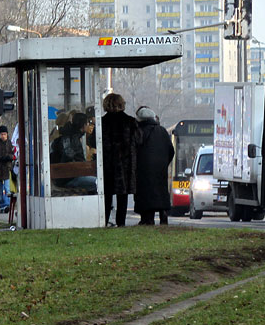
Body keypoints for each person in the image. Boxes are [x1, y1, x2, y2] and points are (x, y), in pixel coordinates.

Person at [88, 93, 140, 227]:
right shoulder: (130, 121)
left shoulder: (101, 123)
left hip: (106, 164)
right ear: (121, 104)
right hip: (125, 165)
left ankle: (104, 221)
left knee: (107, 195)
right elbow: (139, 140)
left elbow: (92, 141)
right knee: (122, 195)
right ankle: (121, 223)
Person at [134, 106, 175, 225]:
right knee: (161, 191)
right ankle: (163, 215)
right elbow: (171, 150)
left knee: (145, 193)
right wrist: (163, 163)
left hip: (142, 169)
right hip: (160, 169)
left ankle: (147, 219)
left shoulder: (138, 132)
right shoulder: (162, 131)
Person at [50, 110, 97, 193]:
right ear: (83, 125)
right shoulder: (73, 138)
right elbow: (69, 158)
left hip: (65, 177)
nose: (89, 125)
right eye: (87, 123)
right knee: (98, 183)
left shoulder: (69, 135)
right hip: (69, 178)